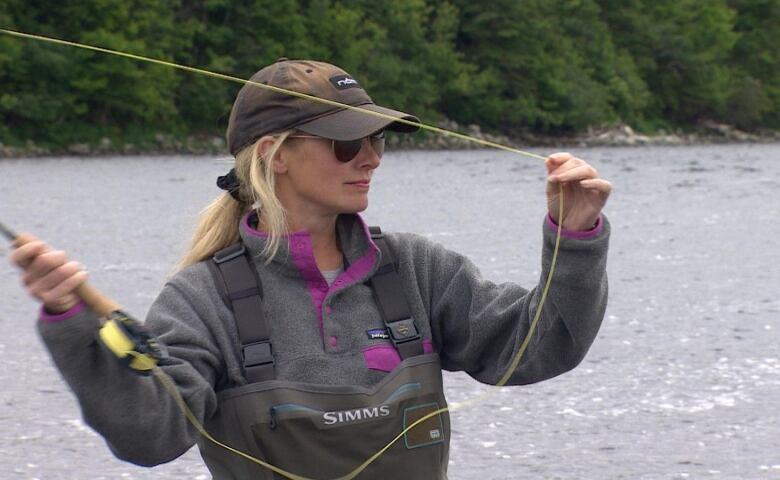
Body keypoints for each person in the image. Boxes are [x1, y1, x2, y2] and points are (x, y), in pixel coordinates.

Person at [9, 58, 611, 479]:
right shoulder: (201, 299)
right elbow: (149, 437)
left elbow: (540, 348)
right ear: (276, 156)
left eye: (379, 140)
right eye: (348, 144)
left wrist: (575, 235)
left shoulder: (419, 269)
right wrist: (69, 321)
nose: (372, 158)